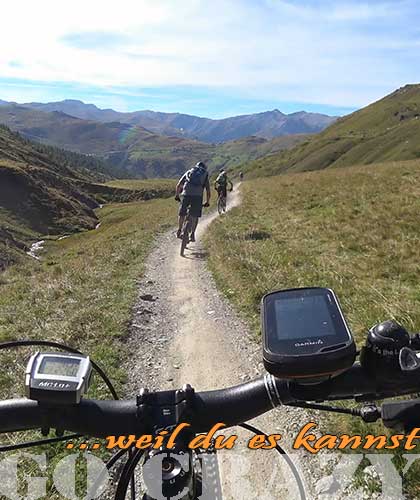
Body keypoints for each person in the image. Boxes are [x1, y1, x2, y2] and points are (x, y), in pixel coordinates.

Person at [175, 161, 210, 242]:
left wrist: (177, 195)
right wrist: (207, 202)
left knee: (182, 213)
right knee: (195, 216)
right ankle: (192, 234)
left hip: (186, 195)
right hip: (197, 197)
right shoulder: (204, 174)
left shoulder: (189, 171)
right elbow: (208, 190)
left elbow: (179, 184)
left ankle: (179, 230)